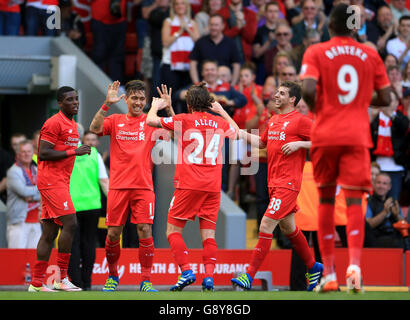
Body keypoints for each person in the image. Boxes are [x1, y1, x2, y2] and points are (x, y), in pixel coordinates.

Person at [300, 3, 391, 293]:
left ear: (330, 25)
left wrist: (323, 110)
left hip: (326, 134)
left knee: (326, 200)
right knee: (354, 201)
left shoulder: (316, 51)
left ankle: (328, 273)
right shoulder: (371, 53)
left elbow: (309, 90)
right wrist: (360, 101)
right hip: (356, 136)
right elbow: (387, 96)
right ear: (356, 27)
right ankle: (355, 267)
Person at [146, 82, 239, 292]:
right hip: (213, 187)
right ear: (208, 103)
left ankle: (187, 271)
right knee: (208, 235)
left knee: (172, 231)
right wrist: (223, 111)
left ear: (188, 104)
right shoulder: (218, 123)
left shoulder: (185, 120)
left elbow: (151, 120)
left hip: (189, 185)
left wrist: (155, 105)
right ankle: (208, 278)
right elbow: (235, 130)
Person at [231, 81, 323, 292]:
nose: (276, 95)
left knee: (265, 226)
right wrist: (238, 133)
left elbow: (323, 140)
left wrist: (301, 144)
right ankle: (313, 265)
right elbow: (262, 143)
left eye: (282, 93)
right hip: (274, 183)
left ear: (292, 99)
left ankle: (248, 276)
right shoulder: (273, 120)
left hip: (288, 184)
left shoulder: (301, 121)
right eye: (277, 92)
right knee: (288, 228)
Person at [89, 80, 173, 292]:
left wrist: (169, 107)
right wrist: (106, 104)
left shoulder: (151, 122)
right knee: (113, 234)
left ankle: (145, 280)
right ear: (125, 100)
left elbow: (176, 132)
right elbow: (94, 128)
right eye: (134, 98)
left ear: (146, 102)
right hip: (118, 188)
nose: (138, 102)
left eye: (141, 99)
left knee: (144, 230)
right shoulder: (115, 120)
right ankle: (112, 276)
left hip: (143, 188)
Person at [28, 86, 91, 292]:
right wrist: (75, 151)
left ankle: (36, 283)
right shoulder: (54, 122)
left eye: (77, 99)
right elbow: (43, 153)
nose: (75, 102)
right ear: (60, 103)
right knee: (71, 223)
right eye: (70, 100)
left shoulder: (72, 124)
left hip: (60, 181)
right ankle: (61, 278)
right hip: (50, 180)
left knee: (49, 231)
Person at [67, 130, 109, 290]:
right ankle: (87, 283)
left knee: (72, 244)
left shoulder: (67, 154)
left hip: (72, 206)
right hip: (92, 205)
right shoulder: (94, 154)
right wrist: (113, 203)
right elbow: (104, 182)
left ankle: (76, 282)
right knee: (89, 243)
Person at [370, 89, 409, 201]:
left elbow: (405, 128)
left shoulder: (400, 117)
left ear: (397, 102)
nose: (388, 103)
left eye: (391, 100)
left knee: (393, 201)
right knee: (373, 200)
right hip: (377, 167)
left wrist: (391, 116)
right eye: (386, 100)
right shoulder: (376, 117)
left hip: (396, 168)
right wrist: (372, 117)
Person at [160, 0, 200, 98]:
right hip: (170, 65)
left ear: (187, 6)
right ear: (173, 7)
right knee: (170, 96)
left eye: (182, 3)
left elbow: (198, 42)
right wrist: (180, 31)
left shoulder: (192, 23)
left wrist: (188, 29)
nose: (179, 6)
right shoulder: (168, 21)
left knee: (186, 96)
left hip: (188, 65)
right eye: (176, 4)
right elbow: (165, 42)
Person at [6, 140, 41, 249]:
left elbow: (45, 192)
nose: (26, 154)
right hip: (19, 222)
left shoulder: (36, 170)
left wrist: (32, 196)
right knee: (17, 258)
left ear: (33, 153)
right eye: (23, 152)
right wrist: (38, 189)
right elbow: (24, 192)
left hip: (36, 221)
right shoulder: (13, 171)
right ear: (18, 154)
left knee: (34, 258)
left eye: (29, 151)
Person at [189, 14, 241, 87]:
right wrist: (197, 84)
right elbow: (193, 63)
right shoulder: (200, 42)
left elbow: (236, 65)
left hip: (225, 85)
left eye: (216, 25)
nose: (213, 27)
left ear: (223, 26)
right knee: (178, 94)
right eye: (211, 25)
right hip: (204, 86)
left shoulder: (230, 43)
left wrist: (232, 84)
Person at [90, 0, 127, 84]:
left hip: (119, 20)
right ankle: (97, 85)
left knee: (117, 57)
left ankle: (117, 88)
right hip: (100, 20)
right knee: (99, 55)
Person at [365, 172, 405, 248]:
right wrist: (385, 212)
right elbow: (368, 225)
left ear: (389, 187)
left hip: (394, 236)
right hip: (376, 238)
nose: (381, 186)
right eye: (378, 183)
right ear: (373, 184)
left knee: (405, 241)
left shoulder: (393, 201)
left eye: (384, 184)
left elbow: (403, 225)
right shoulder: (367, 202)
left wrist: (397, 215)